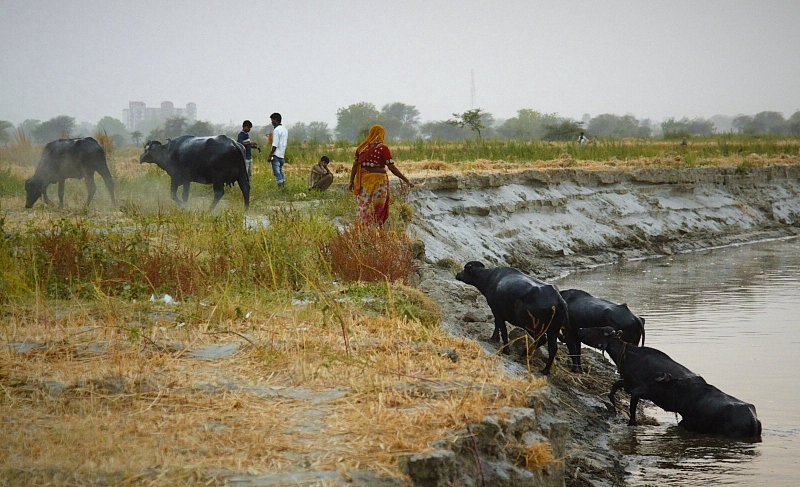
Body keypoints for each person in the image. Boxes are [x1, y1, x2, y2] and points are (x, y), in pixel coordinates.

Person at [348, 125, 414, 225]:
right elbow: (392, 168)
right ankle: (376, 228)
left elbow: (354, 166)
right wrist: (406, 180)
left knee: (364, 204)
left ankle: (363, 227)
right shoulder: (383, 148)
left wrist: (351, 181)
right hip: (378, 182)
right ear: (382, 134)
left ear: (370, 134)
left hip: (364, 181)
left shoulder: (361, 148)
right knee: (378, 206)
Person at [267, 112, 288, 188]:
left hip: (276, 155)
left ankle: (280, 188)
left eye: (272, 120)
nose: (272, 122)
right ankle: (283, 187)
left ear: (276, 120)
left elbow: (275, 145)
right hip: (282, 155)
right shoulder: (285, 130)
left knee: (277, 173)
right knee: (281, 172)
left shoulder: (276, 130)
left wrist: (270, 155)